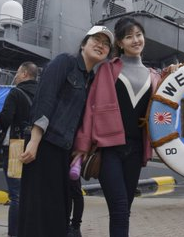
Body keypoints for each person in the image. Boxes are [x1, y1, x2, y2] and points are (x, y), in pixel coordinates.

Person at [18, 25, 114, 237]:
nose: (101, 44)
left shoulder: (91, 81)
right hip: (44, 144)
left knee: (58, 210)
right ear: (83, 43)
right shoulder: (65, 62)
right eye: (96, 39)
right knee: (37, 209)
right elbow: (45, 97)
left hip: (64, 150)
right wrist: (34, 141)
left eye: (106, 43)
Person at [73, 16, 162, 237]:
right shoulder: (107, 70)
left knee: (124, 210)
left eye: (138, 35)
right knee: (120, 207)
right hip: (108, 149)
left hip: (136, 150)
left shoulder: (155, 76)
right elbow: (91, 110)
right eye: (129, 36)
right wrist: (82, 146)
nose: (135, 40)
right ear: (120, 43)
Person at [0, 61, 38, 237]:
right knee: (32, 193)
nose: (15, 76)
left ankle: (14, 233)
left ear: (24, 74)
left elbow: (6, 118)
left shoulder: (15, 92)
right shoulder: (42, 92)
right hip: (36, 145)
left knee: (16, 195)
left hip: (15, 146)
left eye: (17, 72)